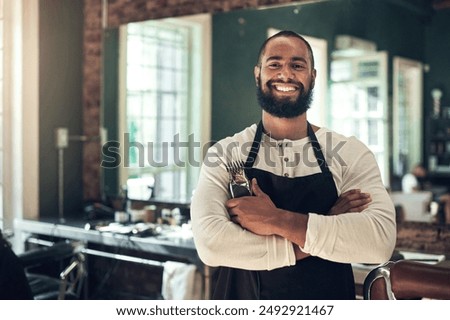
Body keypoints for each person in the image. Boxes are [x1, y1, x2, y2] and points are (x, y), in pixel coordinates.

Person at [191, 30, 396, 300]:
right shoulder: (226, 153)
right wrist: (321, 230)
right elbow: (212, 245)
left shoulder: (350, 153)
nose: (286, 74)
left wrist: (275, 219)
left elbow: (378, 242)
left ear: (312, 76)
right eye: (274, 63)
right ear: (258, 74)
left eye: (297, 65)